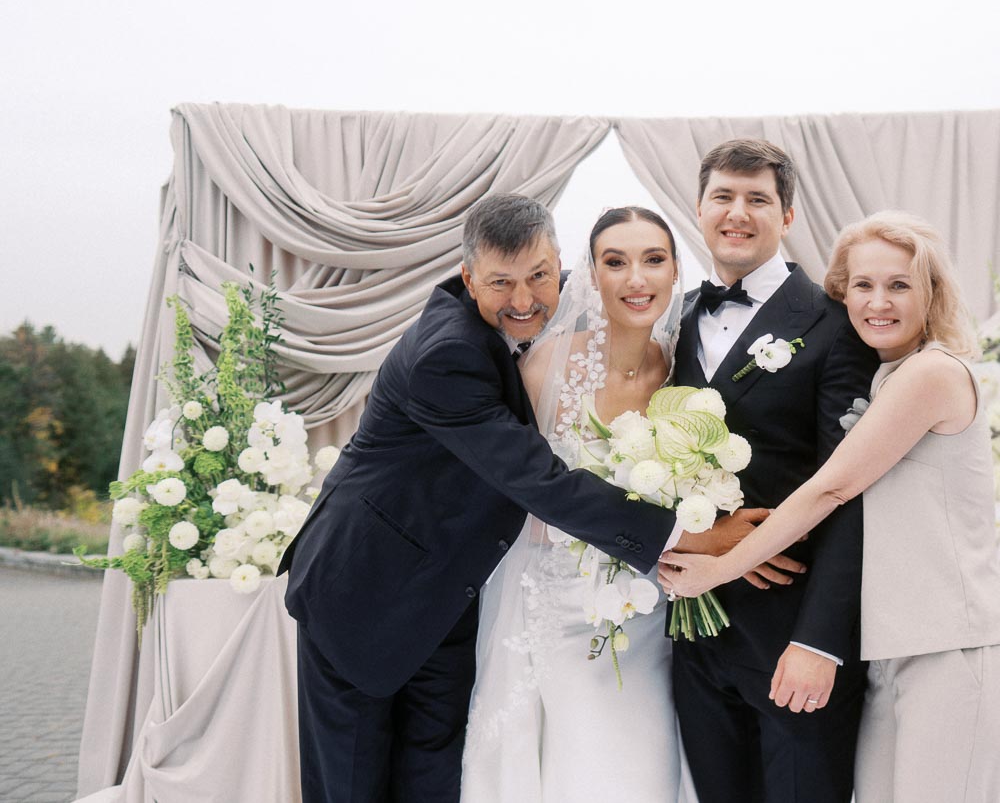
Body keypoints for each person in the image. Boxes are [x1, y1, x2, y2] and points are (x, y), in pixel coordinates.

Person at [278, 194, 746, 803]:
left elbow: (623, 283)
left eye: (539, 277)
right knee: (353, 784)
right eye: (501, 283)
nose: (524, 300)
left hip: (450, 598)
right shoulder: (446, 355)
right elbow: (538, 481)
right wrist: (688, 538)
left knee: (435, 780)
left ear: (561, 266)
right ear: (468, 276)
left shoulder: (561, 302)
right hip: (368, 594)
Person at [660, 211, 1000, 803]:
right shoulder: (883, 380)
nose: (878, 301)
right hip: (884, 652)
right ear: (841, 294)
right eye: (863, 285)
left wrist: (720, 566)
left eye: (899, 285)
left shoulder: (932, 373)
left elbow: (831, 488)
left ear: (931, 294)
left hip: (948, 649)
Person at [463, 205, 759, 803]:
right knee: (584, 759)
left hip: (654, 610)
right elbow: (528, 502)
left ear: (677, 271)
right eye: (615, 262)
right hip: (565, 607)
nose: (636, 279)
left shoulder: (683, 366)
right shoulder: (547, 367)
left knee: (648, 760)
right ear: (591, 276)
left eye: (653, 260)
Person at [667, 139, 879, 803]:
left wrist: (821, 641)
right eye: (723, 197)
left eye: (757, 199)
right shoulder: (675, 323)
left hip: (793, 639)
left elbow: (853, 493)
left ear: (786, 216)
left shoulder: (832, 327)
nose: (738, 212)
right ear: (698, 211)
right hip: (694, 638)